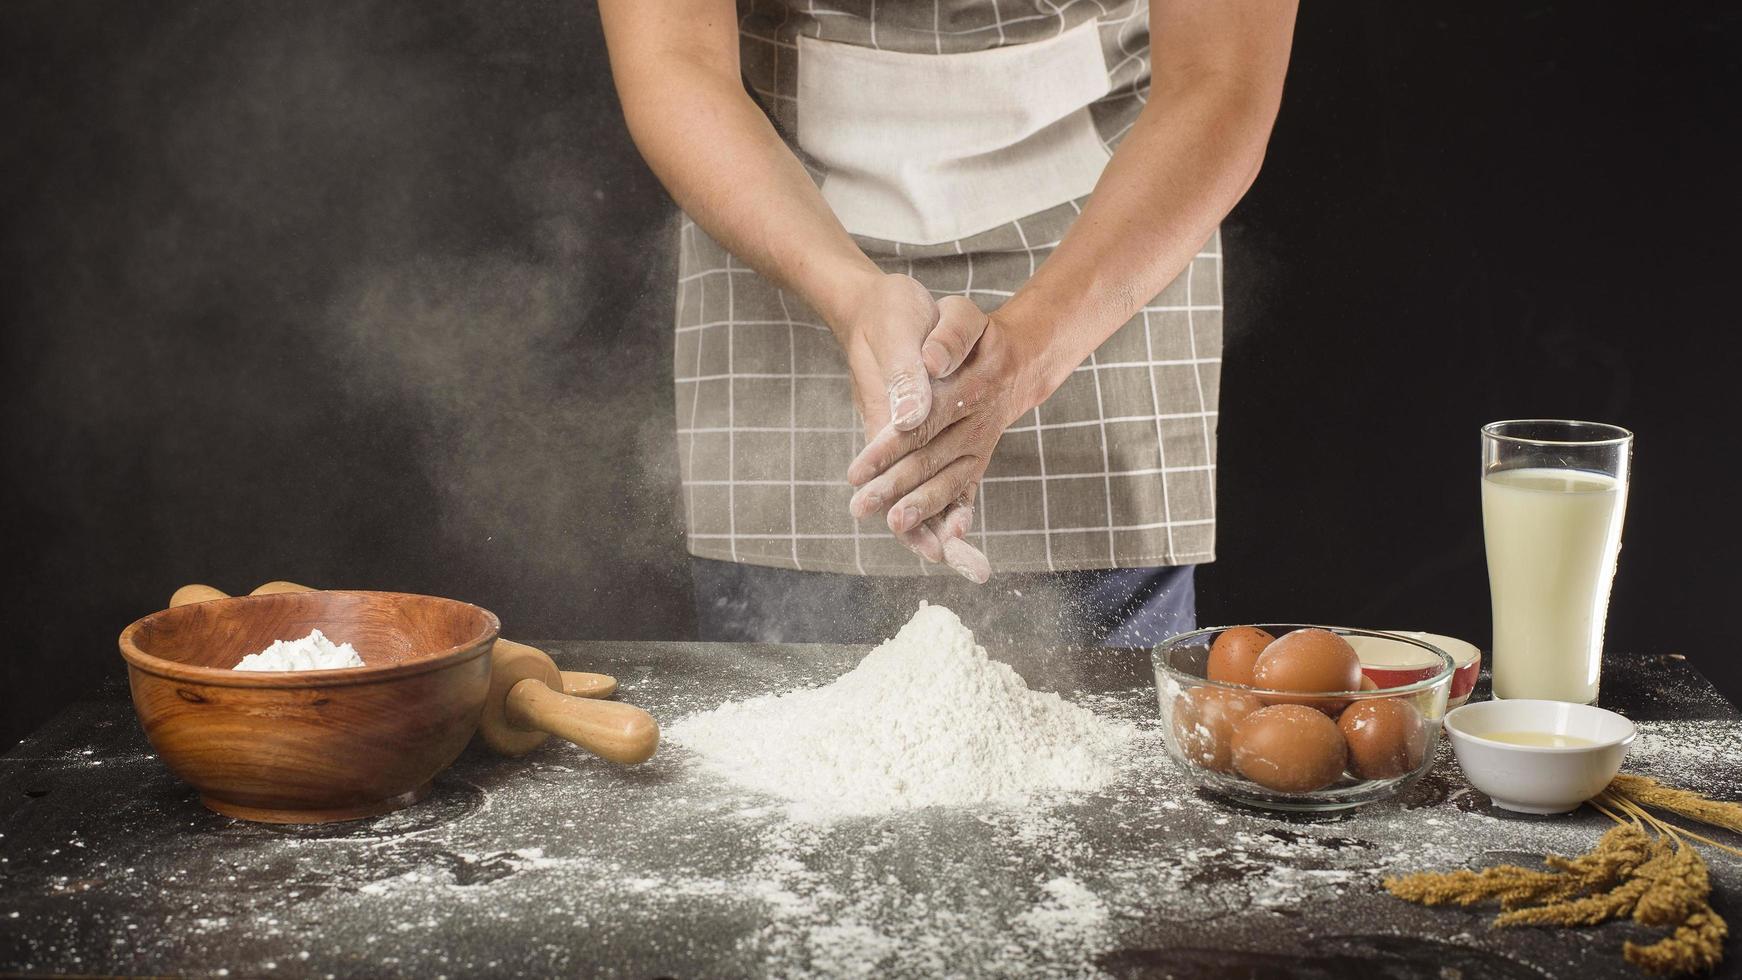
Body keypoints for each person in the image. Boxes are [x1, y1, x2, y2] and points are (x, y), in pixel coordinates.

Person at [599, 0, 1296, 645]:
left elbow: (1219, 74)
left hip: (1118, 225)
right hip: (773, 207)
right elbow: (674, 59)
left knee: (1109, 741)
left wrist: (1031, 351)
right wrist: (848, 296)